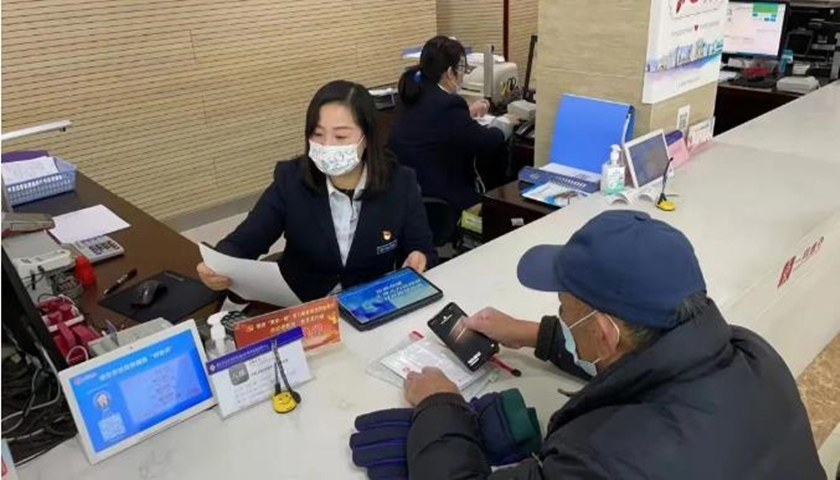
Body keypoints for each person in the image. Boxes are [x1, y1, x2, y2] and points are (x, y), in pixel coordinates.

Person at [402, 210, 824, 479]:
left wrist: (440, 405)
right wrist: (535, 334)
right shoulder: (754, 354)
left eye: (564, 308)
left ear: (604, 333)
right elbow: (643, 361)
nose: (561, 315)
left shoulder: (599, 457)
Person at [197, 80, 436, 302]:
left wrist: (419, 258)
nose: (327, 145)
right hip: (302, 304)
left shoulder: (400, 183)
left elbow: (423, 249)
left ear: (367, 137)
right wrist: (217, 264)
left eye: (341, 136)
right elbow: (244, 241)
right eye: (318, 134)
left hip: (369, 305)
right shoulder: (291, 179)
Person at [388, 36, 518, 211]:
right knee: (499, 205)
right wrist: (505, 121)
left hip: (410, 191)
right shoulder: (447, 104)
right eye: (462, 68)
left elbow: (433, 120)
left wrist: (466, 112)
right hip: (441, 195)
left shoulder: (410, 95)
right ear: (450, 72)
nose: (464, 75)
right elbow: (485, 141)